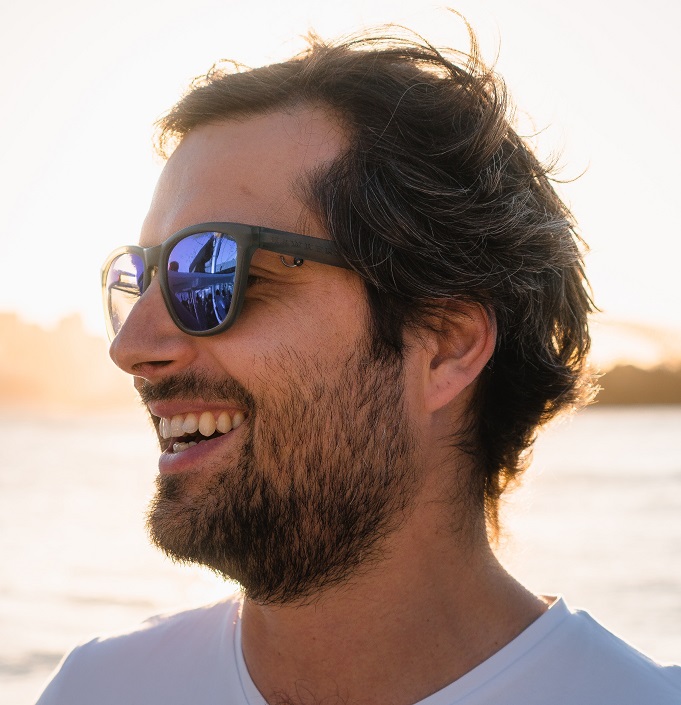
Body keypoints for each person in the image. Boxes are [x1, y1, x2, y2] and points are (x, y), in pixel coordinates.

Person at [37, 22, 681, 705]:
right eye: (140, 279)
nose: (131, 348)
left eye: (215, 270)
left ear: (445, 345)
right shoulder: (97, 688)